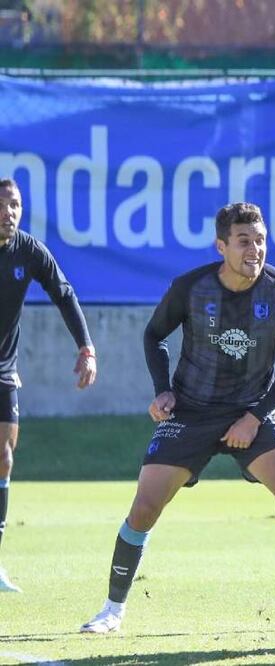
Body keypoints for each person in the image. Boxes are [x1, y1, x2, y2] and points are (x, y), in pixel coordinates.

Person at [80, 202, 275, 634]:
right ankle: (111, 610)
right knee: (146, 504)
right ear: (221, 245)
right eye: (244, 241)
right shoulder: (191, 288)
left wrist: (255, 417)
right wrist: (162, 389)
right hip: (190, 410)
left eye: (261, 240)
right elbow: (154, 336)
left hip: (253, 409)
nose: (255, 249)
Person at [0, 177, 96, 593]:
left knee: (4, 458)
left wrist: (86, 347)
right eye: (2, 205)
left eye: (15, 205)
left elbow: (63, 292)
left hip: (3, 370)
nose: (9, 213)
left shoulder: (28, 250)